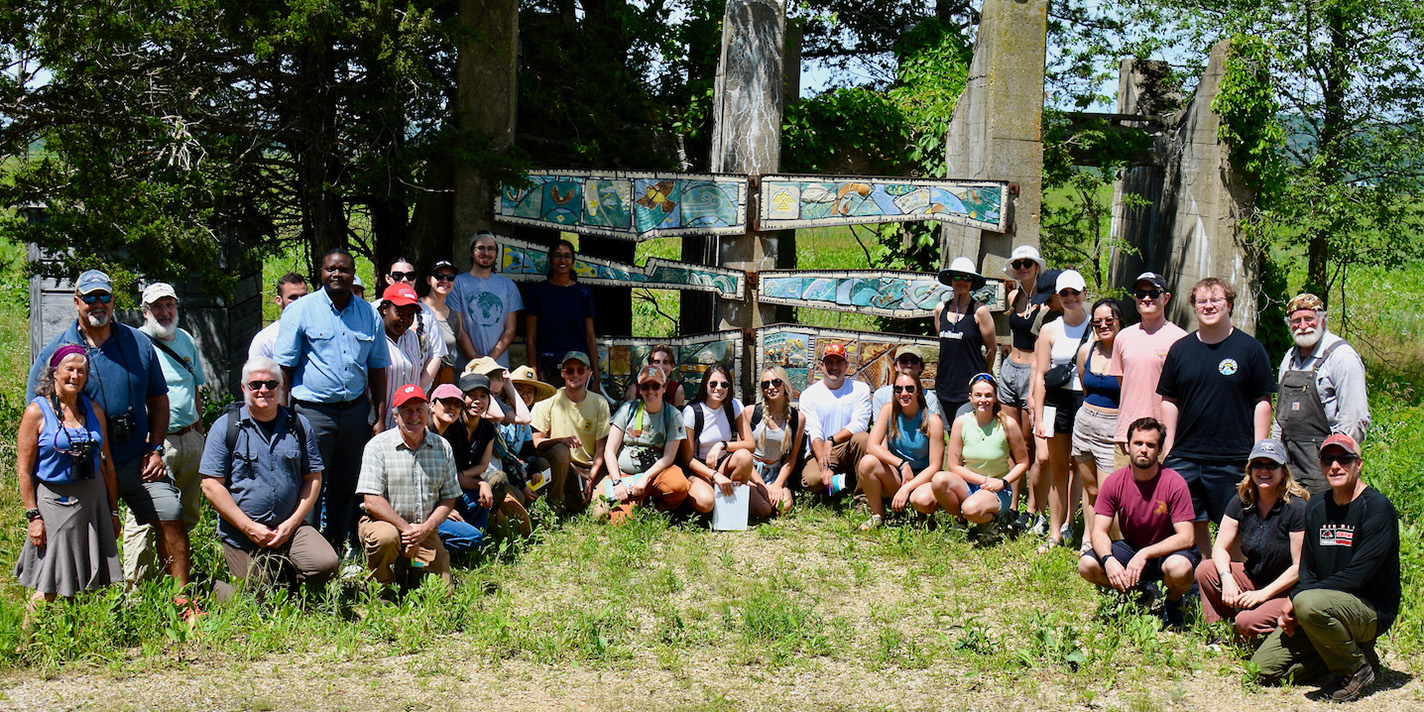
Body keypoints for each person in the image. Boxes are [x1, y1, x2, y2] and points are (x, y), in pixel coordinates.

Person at [26, 270, 194, 594]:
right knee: (87, 536)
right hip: (84, 470)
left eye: (104, 296)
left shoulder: (138, 342)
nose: (97, 303)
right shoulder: (57, 351)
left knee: (171, 514)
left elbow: (159, 400)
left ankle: (180, 600)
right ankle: (87, 608)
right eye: (89, 297)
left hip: (136, 460)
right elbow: (36, 420)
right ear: (77, 302)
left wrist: (156, 448)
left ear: (114, 301)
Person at [1251, 434, 1399, 702]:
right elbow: (1308, 570)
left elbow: (1359, 575)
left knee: (1308, 602)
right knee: (1263, 669)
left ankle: (1355, 669)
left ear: (1359, 464)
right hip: (1320, 606)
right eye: (1327, 459)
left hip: (1370, 609)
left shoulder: (1377, 508)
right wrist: (1300, 603)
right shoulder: (1317, 505)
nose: (1335, 466)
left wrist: (1298, 599)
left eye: (1344, 458)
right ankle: (1346, 653)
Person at [274, 248, 390, 551]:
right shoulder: (301, 311)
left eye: (344, 270)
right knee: (310, 484)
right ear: (321, 273)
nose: (336, 274)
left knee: (347, 484)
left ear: (353, 274)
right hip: (312, 413)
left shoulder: (368, 315)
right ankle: (306, 553)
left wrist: (378, 418)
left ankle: (337, 548)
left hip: (354, 413)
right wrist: (284, 413)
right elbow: (284, 367)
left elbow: (378, 367)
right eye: (330, 269)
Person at [200, 358, 337, 601]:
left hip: (289, 529)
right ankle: (202, 586)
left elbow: (313, 478)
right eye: (255, 384)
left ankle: (285, 576)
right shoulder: (227, 427)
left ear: (281, 387)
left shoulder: (298, 425)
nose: (264, 390)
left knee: (326, 563)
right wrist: (248, 527)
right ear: (243, 389)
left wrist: (292, 523)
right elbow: (210, 486)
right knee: (259, 600)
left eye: (271, 384)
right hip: (242, 535)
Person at [1158, 277, 1275, 554]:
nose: (1208, 306)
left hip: (1234, 458)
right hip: (1186, 457)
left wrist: (1257, 451)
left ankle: (1233, 584)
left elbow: (1263, 401)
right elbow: (1169, 400)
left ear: (1230, 305)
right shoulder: (1181, 349)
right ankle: (1200, 583)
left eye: (1216, 300)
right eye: (1202, 301)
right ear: (1194, 307)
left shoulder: (1250, 349)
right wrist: (1169, 446)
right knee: (1190, 524)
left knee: (1234, 525)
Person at [15, 346, 122, 623]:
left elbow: (107, 463)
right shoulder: (36, 412)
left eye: (81, 371)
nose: (75, 375)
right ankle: (24, 645)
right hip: (55, 501)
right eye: (69, 369)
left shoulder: (93, 410)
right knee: (49, 581)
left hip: (93, 497)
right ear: (54, 372)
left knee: (88, 576)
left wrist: (113, 510)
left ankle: (78, 638)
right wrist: (33, 516)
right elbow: (25, 471)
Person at [1078, 417, 1200, 629]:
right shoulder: (1114, 482)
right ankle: (1138, 594)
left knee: (1178, 568)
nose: (1144, 449)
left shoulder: (1174, 482)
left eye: (1151, 445)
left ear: (1160, 450)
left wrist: (1145, 554)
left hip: (1167, 552)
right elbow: (1099, 532)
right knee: (1087, 565)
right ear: (1127, 446)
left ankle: (1173, 602)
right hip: (1132, 547)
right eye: (1138, 443)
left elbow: (1187, 536)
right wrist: (1108, 560)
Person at [123, 283, 207, 582]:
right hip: (156, 445)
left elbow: (194, 386)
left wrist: (198, 433)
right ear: (145, 312)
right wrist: (147, 445)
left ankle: (171, 579)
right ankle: (136, 587)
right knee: (146, 516)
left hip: (189, 439)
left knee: (185, 515)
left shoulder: (185, 339)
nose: (165, 311)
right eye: (157, 306)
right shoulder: (135, 344)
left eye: (169, 305)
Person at [1195, 438, 1307, 638]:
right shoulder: (1242, 500)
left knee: (1247, 623)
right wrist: (1227, 578)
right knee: (1206, 570)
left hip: (1286, 588)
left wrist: (1263, 594)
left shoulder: (1296, 508)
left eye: (1272, 465)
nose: (1264, 470)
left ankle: (1257, 628)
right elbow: (1220, 547)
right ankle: (1219, 630)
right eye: (1258, 464)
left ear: (1284, 472)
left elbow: (1299, 567)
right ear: (1249, 469)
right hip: (1254, 577)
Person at [355, 384, 460, 590]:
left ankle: (405, 569)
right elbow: (371, 500)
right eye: (406, 411)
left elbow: (449, 498)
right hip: (384, 524)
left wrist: (425, 530)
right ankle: (381, 586)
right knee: (385, 538)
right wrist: (407, 530)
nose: (414, 416)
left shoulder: (442, 447)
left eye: (419, 410)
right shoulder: (377, 446)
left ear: (428, 412)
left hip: (423, 529)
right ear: (395, 416)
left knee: (443, 594)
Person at [1271, 293, 1371, 495]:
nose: (1303, 325)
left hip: (1326, 467)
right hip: (1290, 467)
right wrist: (1275, 457)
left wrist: (1337, 463)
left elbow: (1354, 417)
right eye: (1296, 321)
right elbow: (1279, 420)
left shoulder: (1342, 357)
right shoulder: (1289, 359)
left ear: (1323, 319)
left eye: (1309, 318)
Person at [1031, 269, 1091, 552]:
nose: (1069, 298)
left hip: (1085, 400)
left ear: (1084, 294)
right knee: (1057, 469)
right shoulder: (1049, 329)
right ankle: (1055, 532)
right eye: (1064, 293)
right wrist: (1039, 417)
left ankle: (1081, 531)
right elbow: (1041, 376)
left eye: (1074, 293)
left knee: (1082, 467)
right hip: (1056, 401)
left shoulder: (1096, 325)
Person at [1108, 272, 1186, 471]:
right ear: (1135, 298)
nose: (1147, 298)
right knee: (1124, 497)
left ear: (1166, 298)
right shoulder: (1123, 337)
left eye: (1153, 293)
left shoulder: (1181, 340)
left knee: (1161, 500)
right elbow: (1122, 382)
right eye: (1141, 293)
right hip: (1127, 436)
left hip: (1165, 437)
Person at [596, 365, 691, 523]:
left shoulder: (672, 414)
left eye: (655, 386)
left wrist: (645, 477)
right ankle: (637, 505)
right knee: (617, 521)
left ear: (664, 388)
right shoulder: (627, 410)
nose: (651, 391)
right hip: (626, 477)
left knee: (678, 485)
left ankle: (660, 509)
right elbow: (609, 451)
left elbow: (668, 457)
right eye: (645, 386)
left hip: (655, 475)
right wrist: (617, 482)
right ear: (639, 389)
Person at [859, 372, 951, 529]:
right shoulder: (888, 410)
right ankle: (877, 515)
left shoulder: (932, 421)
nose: (904, 393)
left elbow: (935, 466)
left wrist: (907, 488)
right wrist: (902, 465)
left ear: (918, 392)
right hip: (897, 475)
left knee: (922, 501)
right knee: (867, 462)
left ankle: (918, 512)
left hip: (923, 478)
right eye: (898, 389)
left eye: (909, 388)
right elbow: (871, 446)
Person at [1069, 297, 1122, 553]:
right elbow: (1084, 382)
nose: (1103, 326)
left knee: (1106, 492)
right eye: (1097, 321)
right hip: (1085, 422)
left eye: (1109, 321)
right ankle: (1088, 540)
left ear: (1120, 322)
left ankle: (1109, 544)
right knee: (1089, 488)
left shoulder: (1126, 353)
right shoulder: (1086, 351)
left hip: (1113, 426)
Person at [944, 373, 1029, 532]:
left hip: (998, 489)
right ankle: (961, 521)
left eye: (988, 395)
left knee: (970, 508)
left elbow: (1023, 462)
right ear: (971, 398)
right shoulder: (961, 422)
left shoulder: (1007, 424)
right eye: (978, 395)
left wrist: (1002, 482)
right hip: (970, 484)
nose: (983, 400)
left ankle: (993, 522)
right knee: (939, 480)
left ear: (995, 397)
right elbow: (953, 466)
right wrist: (984, 480)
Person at [531, 351, 609, 514]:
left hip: (587, 468)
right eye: (570, 370)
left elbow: (601, 448)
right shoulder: (549, 399)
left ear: (589, 373)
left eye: (580, 370)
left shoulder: (600, 403)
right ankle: (554, 507)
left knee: (599, 514)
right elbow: (535, 442)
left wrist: (592, 475)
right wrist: (560, 441)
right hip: (560, 466)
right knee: (561, 450)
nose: (575, 374)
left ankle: (574, 500)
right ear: (562, 373)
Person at [427, 377, 499, 554]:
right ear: (431, 405)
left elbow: (453, 477)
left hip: (450, 494)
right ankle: (438, 547)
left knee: (482, 498)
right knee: (474, 539)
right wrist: (441, 508)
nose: (451, 407)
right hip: (425, 508)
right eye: (445, 402)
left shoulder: (443, 439)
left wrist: (482, 483)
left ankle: (472, 543)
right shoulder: (426, 436)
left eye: (456, 404)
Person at [681, 365, 760, 517]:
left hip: (722, 463)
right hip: (699, 469)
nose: (719, 388)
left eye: (724, 384)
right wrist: (714, 475)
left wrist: (721, 445)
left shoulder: (734, 405)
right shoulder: (691, 412)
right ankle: (705, 498)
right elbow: (687, 459)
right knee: (706, 502)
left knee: (744, 457)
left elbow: (750, 445)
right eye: (713, 384)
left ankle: (730, 508)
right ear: (705, 385)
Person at [525, 240, 601, 391]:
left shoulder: (583, 293)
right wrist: (533, 373)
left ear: (573, 261)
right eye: (557, 256)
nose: (562, 260)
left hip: (578, 368)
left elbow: (591, 337)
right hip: (548, 367)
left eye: (567, 256)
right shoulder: (537, 292)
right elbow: (531, 338)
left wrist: (596, 378)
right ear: (550, 259)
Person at [798, 342, 873, 495]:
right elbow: (814, 433)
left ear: (846, 366)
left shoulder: (860, 389)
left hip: (848, 448)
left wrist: (831, 440)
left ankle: (863, 497)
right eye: (829, 362)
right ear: (821, 365)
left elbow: (860, 425)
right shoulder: (808, 395)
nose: (834, 367)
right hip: (821, 451)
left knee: (863, 438)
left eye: (839, 362)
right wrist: (824, 467)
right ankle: (843, 482)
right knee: (812, 480)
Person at [933, 257, 997, 417]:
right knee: (946, 433)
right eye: (957, 277)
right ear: (950, 279)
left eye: (967, 277)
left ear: (972, 282)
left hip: (969, 388)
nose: (961, 281)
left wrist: (983, 376)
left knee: (962, 432)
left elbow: (992, 348)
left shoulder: (979, 311)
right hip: (944, 385)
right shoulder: (941, 309)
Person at [449, 231, 523, 368]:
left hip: (498, 367)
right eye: (481, 248)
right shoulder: (456, 284)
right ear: (471, 252)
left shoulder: (508, 286)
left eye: (491, 249)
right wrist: (475, 361)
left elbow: (510, 329)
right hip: (465, 366)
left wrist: (489, 361)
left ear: (496, 253)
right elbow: (457, 327)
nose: (486, 253)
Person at [374, 257, 445, 391]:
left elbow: (436, 353)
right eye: (398, 275)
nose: (404, 280)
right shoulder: (372, 310)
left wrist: (417, 387)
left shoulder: (426, 313)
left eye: (410, 276)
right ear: (387, 278)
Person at [740, 366, 802, 515]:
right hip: (751, 472)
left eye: (776, 382)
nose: (771, 387)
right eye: (765, 384)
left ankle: (769, 494)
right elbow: (741, 453)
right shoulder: (751, 412)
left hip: (775, 473)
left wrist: (777, 485)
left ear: (785, 385)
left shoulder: (797, 418)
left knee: (784, 508)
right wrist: (761, 486)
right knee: (764, 510)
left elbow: (791, 458)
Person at [421, 260, 477, 386]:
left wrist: (477, 359)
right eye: (439, 276)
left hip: (445, 377)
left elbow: (459, 339)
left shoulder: (453, 316)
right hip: (419, 372)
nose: (445, 280)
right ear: (429, 280)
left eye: (450, 277)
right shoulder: (416, 309)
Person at [377, 284, 425, 429]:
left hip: (407, 423)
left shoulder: (411, 337)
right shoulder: (373, 337)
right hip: (377, 422)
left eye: (410, 315)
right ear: (385, 308)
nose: (405, 320)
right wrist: (379, 421)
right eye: (399, 313)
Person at [248, 272, 309, 362]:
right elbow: (256, 374)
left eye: (303, 296)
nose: (300, 302)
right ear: (279, 300)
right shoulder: (265, 340)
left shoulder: (319, 332)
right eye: (293, 297)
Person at [869, 347, 940, 419]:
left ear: (921, 367)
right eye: (904, 361)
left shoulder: (929, 398)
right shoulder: (881, 395)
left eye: (914, 361)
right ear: (896, 366)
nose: (909, 365)